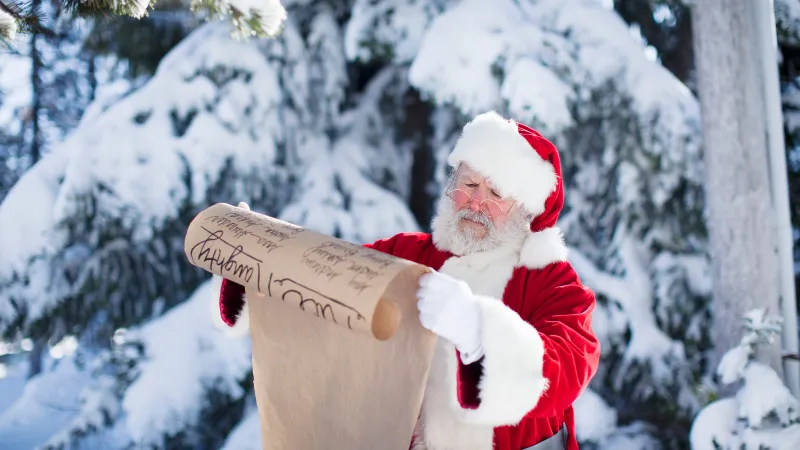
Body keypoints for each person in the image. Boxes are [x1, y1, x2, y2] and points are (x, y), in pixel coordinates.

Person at [213, 111, 601, 450]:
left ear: (527, 212)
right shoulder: (407, 252)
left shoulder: (554, 283)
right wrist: (260, 262)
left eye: (496, 193)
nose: (475, 202)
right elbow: (327, 284)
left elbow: (568, 366)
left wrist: (477, 332)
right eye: (469, 184)